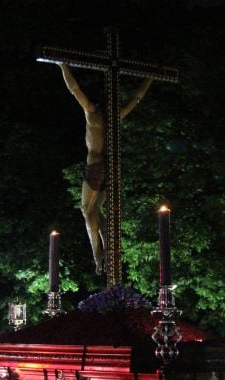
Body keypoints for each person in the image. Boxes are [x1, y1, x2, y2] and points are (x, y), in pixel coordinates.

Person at [59, 62, 153, 274]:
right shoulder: (114, 118)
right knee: (96, 210)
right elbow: (137, 98)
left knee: (86, 209)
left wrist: (62, 65)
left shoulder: (92, 113)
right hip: (110, 169)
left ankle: (97, 255)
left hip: (95, 167)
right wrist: (150, 78)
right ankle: (107, 252)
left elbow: (74, 89)